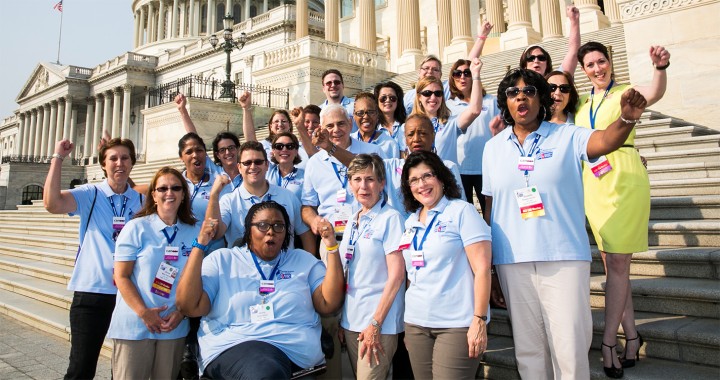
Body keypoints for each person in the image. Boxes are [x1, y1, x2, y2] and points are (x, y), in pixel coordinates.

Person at [481, 68, 648, 379]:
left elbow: (604, 141)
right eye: (513, 92)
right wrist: (491, 267)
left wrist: (626, 119)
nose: (521, 97)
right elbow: (490, 208)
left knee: (569, 346)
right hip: (513, 260)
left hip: (563, 257)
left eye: (530, 91)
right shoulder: (493, 148)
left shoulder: (567, 135)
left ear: (542, 99)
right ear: (505, 101)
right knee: (529, 350)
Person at [576, 41, 670, 378]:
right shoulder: (582, 101)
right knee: (614, 266)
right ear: (583, 70)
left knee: (617, 263)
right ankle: (632, 335)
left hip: (624, 177)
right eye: (590, 65)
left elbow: (654, 93)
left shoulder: (625, 92)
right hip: (594, 183)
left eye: (602, 61)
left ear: (610, 62)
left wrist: (659, 69)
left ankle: (607, 343)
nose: (598, 69)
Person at [175, 201, 345, 379]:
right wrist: (200, 244)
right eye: (262, 225)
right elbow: (188, 305)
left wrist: (331, 246)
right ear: (249, 230)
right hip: (235, 346)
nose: (271, 231)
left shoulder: (303, 261)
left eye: (279, 226)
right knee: (266, 371)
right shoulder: (223, 260)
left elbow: (329, 304)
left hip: (296, 352)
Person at [44, 138, 144, 379]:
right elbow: (52, 203)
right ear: (103, 164)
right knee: (81, 367)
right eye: (113, 158)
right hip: (91, 293)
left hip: (127, 294)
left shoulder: (141, 200)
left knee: (122, 369)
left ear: (132, 163)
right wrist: (58, 158)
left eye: (125, 158)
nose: (119, 163)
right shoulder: (91, 193)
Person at [301, 103, 381, 379]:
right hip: (331, 242)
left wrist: (331, 148)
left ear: (351, 123)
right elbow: (307, 205)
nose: (335, 130)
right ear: (322, 127)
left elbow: (365, 169)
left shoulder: (369, 151)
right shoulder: (313, 163)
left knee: (364, 301)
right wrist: (313, 221)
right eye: (329, 126)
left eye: (341, 124)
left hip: (366, 238)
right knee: (331, 310)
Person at [399, 151, 492, 378]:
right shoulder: (410, 221)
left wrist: (479, 320)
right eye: (414, 180)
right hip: (416, 323)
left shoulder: (462, 211)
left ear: (441, 177)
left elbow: (482, 269)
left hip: (456, 325)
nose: (421, 184)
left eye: (427, 176)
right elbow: (412, 274)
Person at [107, 167, 199, 379]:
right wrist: (144, 312)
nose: (170, 193)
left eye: (176, 188)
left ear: (184, 194)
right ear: (153, 195)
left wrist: (182, 312)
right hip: (135, 323)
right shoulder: (135, 228)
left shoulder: (195, 231)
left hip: (173, 324)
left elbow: (197, 278)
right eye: (163, 188)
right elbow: (121, 276)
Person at [312, 113, 465, 220]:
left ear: (433, 136)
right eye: (411, 134)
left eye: (423, 133)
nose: (416, 139)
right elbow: (358, 163)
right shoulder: (392, 166)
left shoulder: (447, 167)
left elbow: (458, 205)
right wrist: (329, 147)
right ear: (405, 139)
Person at [337, 154, 405, 379]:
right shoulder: (353, 220)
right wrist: (342, 319)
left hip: (378, 323)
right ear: (350, 184)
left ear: (382, 183)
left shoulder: (391, 219)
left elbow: (396, 276)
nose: (363, 186)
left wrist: (375, 323)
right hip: (351, 321)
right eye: (357, 179)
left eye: (370, 179)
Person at [206, 140, 315, 253]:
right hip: (244, 269)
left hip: (285, 268)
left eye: (258, 162)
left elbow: (305, 234)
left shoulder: (288, 197)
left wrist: (310, 262)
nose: (253, 167)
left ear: (267, 165)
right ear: (239, 167)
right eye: (247, 163)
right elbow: (215, 233)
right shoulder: (228, 201)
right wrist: (214, 195)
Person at [411, 57, 484, 163]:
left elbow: (475, 110)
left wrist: (476, 75)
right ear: (419, 97)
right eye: (427, 93)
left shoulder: (451, 123)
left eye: (438, 93)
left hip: (447, 178)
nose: (433, 98)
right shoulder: (407, 126)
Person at [176, 93, 243, 190]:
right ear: (217, 154)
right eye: (222, 150)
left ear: (238, 149)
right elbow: (194, 137)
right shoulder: (215, 171)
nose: (227, 152)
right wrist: (183, 110)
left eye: (231, 148)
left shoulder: (248, 171)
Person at [239, 92, 311, 168]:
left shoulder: (300, 146)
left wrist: (300, 126)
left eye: (283, 121)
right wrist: (246, 108)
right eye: (276, 121)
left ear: (290, 125)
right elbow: (250, 140)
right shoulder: (264, 146)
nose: (280, 124)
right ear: (270, 126)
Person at [519, 6, 580, 77]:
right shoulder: (518, 86)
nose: (536, 61)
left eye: (541, 58)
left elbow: (573, 52)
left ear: (547, 64)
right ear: (524, 65)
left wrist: (574, 21)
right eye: (531, 58)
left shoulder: (556, 82)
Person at [351, 92, 400, 159]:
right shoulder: (349, 140)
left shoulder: (390, 144)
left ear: (377, 114)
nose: (366, 117)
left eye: (371, 112)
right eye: (360, 113)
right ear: (354, 115)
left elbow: (395, 169)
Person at [266, 132, 305, 202]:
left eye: (289, 146)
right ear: (273, 151)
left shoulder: (305, 176)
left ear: (296, 151)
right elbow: (251, 143)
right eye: (279, 146)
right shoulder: (267, 170)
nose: (284, 149)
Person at [374, 81, 407, 152]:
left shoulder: (406, 126)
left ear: (398, 101)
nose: (388, 100)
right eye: (383, 98)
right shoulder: (373, 128)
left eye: (392, 98)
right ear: (377, 101)